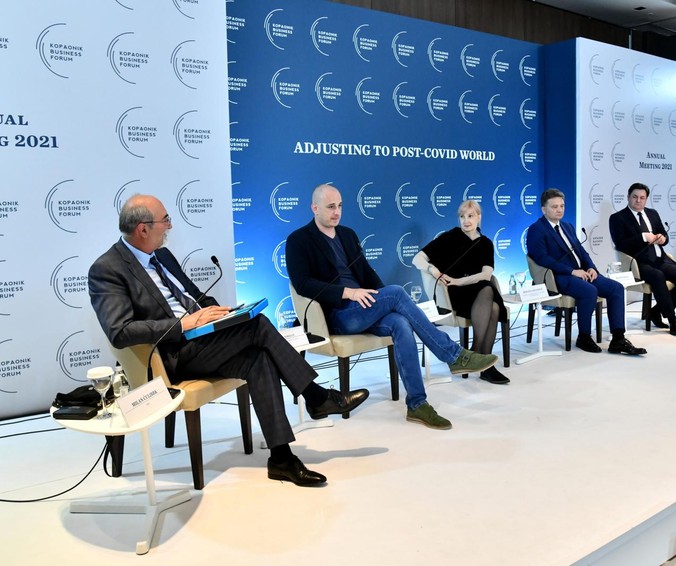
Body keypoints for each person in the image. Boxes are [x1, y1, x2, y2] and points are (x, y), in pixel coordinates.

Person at [88, 194, 369, 487]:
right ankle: (317, 397)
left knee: (258, 358)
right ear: (143, 229)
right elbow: (120, 331)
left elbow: (196, 296)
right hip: (170, 356)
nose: (170, 225)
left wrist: (224, 315)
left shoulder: (163, 256)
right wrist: (183, 324)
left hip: (202, 342)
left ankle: (282, 458)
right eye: (165, 220)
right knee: (258, 326)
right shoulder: (107, 268)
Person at [286, 184, 499, 431]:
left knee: (400, 322)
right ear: (314, 208)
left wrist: (382, 301)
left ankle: (417, 404)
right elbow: (303, 284)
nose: (337, 212)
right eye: (331, 207)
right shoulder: (299, 240)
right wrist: (349, 292)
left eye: (340, 206)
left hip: (364, 306)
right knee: (396, 293)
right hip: (337, 314)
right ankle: (453, 355)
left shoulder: (347, 234)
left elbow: (366, 272)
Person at [525, 188, 646, 355]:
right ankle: (584, 336)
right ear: (544, 209)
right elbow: (542, 259)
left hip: (581, 273)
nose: (559, 210)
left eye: (562, 206)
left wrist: (591, 268)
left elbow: (581, 252)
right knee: (589, 290)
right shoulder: (536, 229)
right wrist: (572, 271)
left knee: (616, 288)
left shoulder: (567, 226)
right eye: (554, 207)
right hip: (558, 277)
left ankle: (618, 339)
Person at [413, 200, 510, 385]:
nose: (466, 220)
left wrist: (459, 280)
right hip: (454, 294)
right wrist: (434, 270)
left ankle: (476, 356)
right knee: (489, 295)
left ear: (479, 217)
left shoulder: (486, 243)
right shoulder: (449, 237)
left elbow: (486, 274)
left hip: (475, 288)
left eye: (471, 216)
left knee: (493, 303)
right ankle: (483, 363)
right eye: (462, 216)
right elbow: (417, 259)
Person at [609, 182, 676, 336]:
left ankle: (655, 311)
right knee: (658, 276)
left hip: (660, 260)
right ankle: (672, 319)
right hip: (638, 263)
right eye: (635, 197)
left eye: (642, 197)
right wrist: (643, 237)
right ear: (628, 197)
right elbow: (620, 244)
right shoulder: (617, 218)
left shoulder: (652, 213)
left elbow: (664, 234)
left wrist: (663, 239)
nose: (638, 200)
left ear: (646, 199)